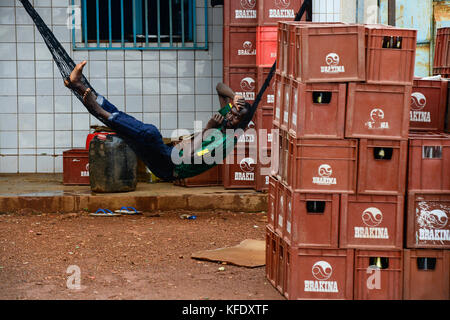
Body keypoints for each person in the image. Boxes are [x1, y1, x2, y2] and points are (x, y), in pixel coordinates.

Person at [64, 60, 251, 181]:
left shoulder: (224, 142)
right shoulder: (226, 120)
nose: (230, 115)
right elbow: (220, 87)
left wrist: (209, 128)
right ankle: (78, 85)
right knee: (130, 128)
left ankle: (97, 108)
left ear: (240, 125)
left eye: (236, 117)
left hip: (169, 166)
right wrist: (235, 97)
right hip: (169, 153)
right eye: (232, 111)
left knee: (150, 133)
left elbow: (187, 156)